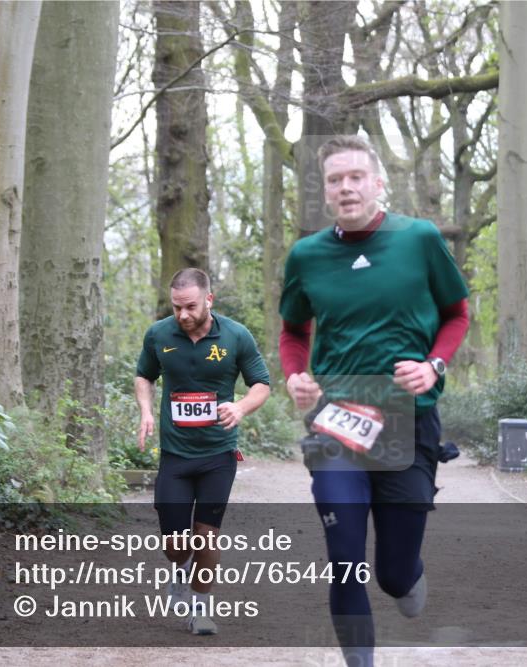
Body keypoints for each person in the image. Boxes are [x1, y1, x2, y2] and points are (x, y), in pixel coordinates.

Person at [279, 135, 470, 666]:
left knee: (393, 572)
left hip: (410, 422)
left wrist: (433, 365)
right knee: (343, 558)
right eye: (335, 180)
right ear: (326, 191)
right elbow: (293, 330)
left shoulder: (420, 239)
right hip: (336, 422)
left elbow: (457, 314)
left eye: (355, 177)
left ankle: (406, 574)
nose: (346, 187)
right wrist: (296, 376)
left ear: (378, 182)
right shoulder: (308, 256)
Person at [136, 267, 271, 636]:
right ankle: (180, 570)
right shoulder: (159, 334)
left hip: (219, 454)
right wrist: (146, 411)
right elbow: (144, 375)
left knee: (207, 535)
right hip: (175, 456)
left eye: (191, 306)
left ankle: (200, 609)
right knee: (177, 545)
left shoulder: (236, 336)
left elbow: (261, 383)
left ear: (208, 300)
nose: (183, 315)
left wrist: (241, 407)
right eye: (177, 307)